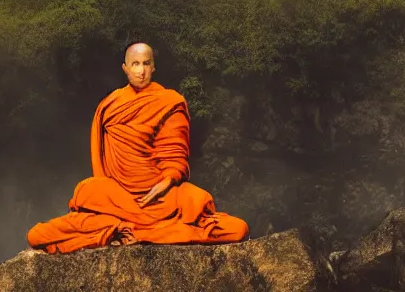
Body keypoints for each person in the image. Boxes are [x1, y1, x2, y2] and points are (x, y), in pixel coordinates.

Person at [26, 42, 249, 253]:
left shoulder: (169, 101)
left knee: (235, 227)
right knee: (73, 203)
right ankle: (123, 229)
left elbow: (174, 152)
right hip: (117, 196)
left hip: (161, 198)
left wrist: (166, 181)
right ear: (125, 68)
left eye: (145, 64)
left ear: (153, 67)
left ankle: (121, 230)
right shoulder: (109, 105)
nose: (141, 71)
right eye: (135, 64)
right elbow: (100, 160)